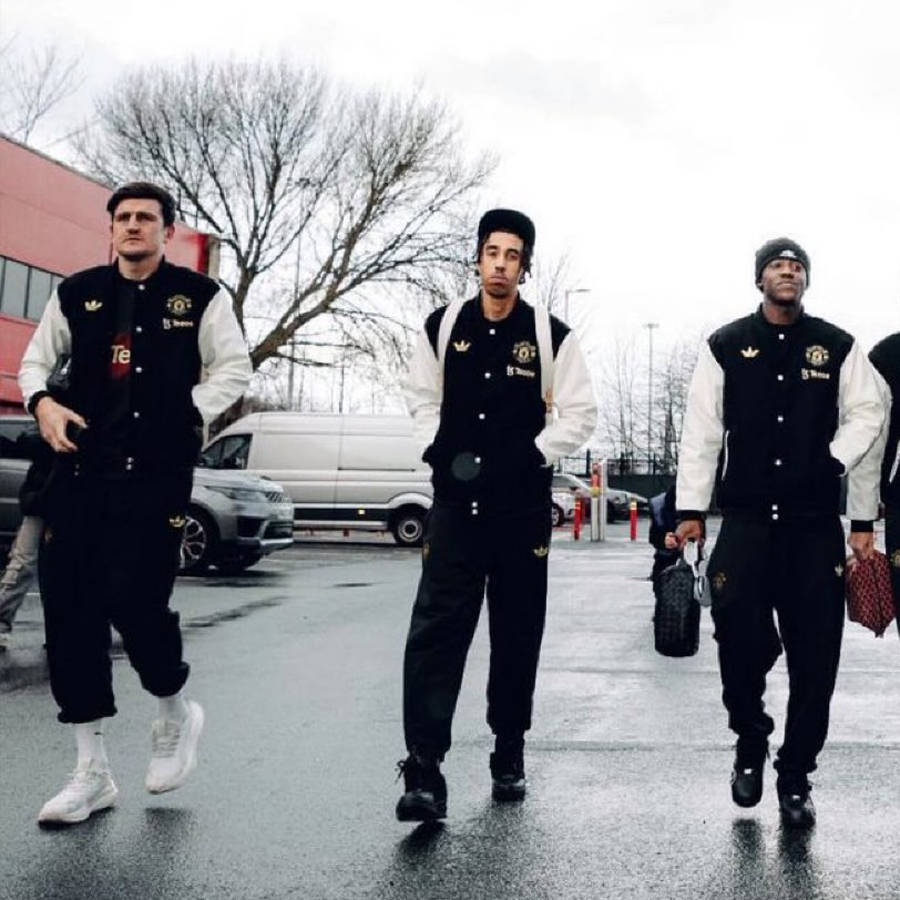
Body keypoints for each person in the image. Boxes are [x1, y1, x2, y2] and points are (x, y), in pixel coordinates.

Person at [18, 181, 252, 825]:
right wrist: (43, 404)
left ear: (166, 231)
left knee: (136, 603)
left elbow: (234, 369)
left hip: (154, 477)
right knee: (70, 615)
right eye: (122, 217)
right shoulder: (77, 293)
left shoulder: (199, 297)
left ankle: (175, 711)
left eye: (146, 218)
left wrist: (185, 414)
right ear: (111, 228)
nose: (132, 226)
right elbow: (34, 365)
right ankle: (90, 773)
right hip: (79, 475)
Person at [396, 208, 598, 821]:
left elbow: (580, 415)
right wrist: (436, 448)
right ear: (478, 258)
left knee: (515, 635)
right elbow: (420, 398)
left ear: (525, 266)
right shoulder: (443, 325)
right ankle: (424, 768)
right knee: (435, 636)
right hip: (456, 512)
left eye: (512, 255)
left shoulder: (550, 336)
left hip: (520, 515)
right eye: (492, 253)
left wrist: (532, 455)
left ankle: (509, 748)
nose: (501, 265)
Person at [674, 238, 883, 829]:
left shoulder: (837, 346)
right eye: (776, 266)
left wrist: (839, 468)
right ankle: (750, 739)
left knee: (816, 661)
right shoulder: (725, 345)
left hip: (812, 529)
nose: (787, 272)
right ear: (759, 279)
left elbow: (870, 411)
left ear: (805, 280)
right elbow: (701, 429)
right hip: (744, 525)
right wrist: (691, 507)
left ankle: (795, 777)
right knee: (737, 643)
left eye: (796, 267)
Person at [648, 484, 678, 594]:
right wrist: (664, 540)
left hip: (687, 562)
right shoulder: (660, 506)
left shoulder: (695, 504)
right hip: (665, 562)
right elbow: (653, 537)